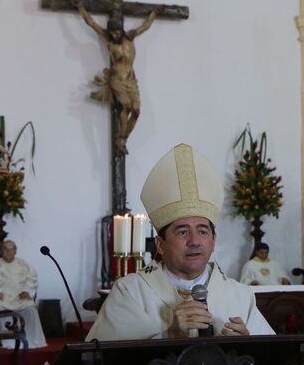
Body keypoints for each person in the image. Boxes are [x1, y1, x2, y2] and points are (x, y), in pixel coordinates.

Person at [86, 143, 275, 341]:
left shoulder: (240, 296)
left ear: (213, 241)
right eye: (183, 232)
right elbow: (101, 358)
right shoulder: (130, 293)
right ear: (160, 244)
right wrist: (169, 335)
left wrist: (248, 347)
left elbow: (275, 358)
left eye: (202, 231)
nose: (194, 241)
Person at [70, 0, 156, 154]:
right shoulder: (108, 39)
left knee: (136, 111)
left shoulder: (130, 36)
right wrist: (80, 7)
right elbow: (91, 23)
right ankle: (121, 140)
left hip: (131, 80)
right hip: (117, 79)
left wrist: (154, 13)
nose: (115, 35)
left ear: (121, 30)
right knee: (126, 106)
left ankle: (123, 138)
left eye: (117, 31)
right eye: (112, 32)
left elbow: (145, 26)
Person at [0, 240, 47, 349]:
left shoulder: (23, 264)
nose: (9, 252)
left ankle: (33, 340)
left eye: (11, 250)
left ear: (15, 251)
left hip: (19, 296)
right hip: (3, 296)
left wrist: (27, 290)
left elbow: (32, 279)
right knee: (0, 306)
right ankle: (8, 342)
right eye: (6, 249)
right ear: (2, 251)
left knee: (30, 308)